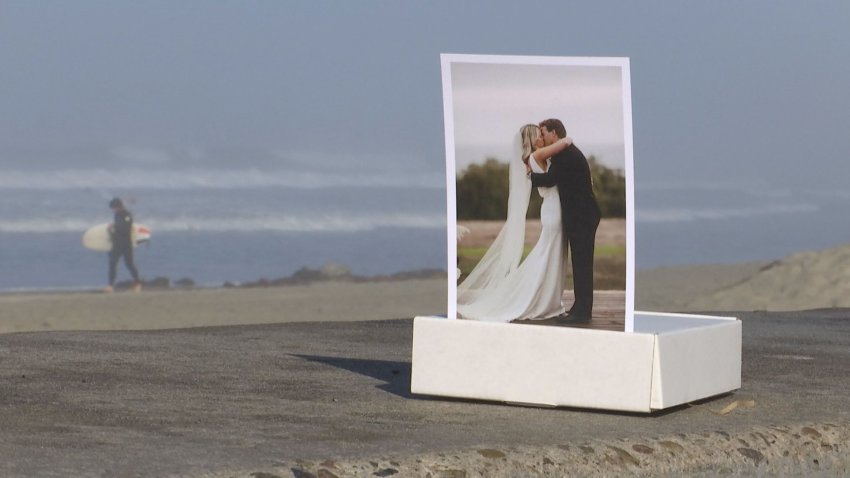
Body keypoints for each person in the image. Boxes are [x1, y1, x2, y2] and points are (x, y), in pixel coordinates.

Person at [457, 124, 572, 321]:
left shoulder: (531, 158)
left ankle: (548, 298)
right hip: (554, 211)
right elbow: (562, 145)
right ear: (532, 139)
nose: (542, 138)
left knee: (549, 256)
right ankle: (541, 300)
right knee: (548, 256)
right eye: (539, 135)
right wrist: (565, 140)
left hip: (553, 210)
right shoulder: (536, 157)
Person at [529, 118, 601, 322]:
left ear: (554, 133)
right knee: (580, 264)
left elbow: (551, 179)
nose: (541, 136)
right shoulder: (565, 151)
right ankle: (579, 307)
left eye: (543, 132)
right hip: (581, 214)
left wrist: (527, 178)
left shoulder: (564, 154)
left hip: (582, 216)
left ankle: (582, 313)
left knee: (583, 265)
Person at [104, 197, 141, 293]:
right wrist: (110, 232)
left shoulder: (127, 215)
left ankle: (137, 284)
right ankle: (110, 285)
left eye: (114, 208)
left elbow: (126, 229)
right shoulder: (117, 215)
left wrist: (114, 226)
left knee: (129, 264)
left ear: (118, 207)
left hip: (126, 244)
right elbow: (117, 230)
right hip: (116, 244)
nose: (113, 210)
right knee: (112, 264)